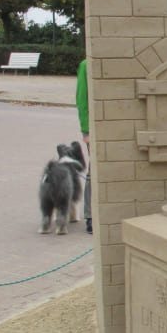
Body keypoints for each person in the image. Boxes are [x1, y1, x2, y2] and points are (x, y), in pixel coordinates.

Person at [76, 59, 92, 234]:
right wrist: (86, 131)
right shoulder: (86, 65)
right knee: (94, 171)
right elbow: (82, 98)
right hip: (94, 129)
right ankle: (90, 216)